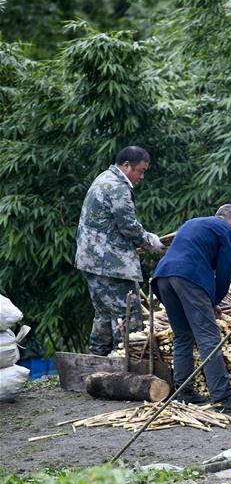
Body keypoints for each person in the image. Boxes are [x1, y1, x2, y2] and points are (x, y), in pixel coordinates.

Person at [152, 204, 231, 412]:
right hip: (189, 277)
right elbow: (223, 273)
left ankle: (183, 392)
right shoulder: (228, 231)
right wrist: (215, 302)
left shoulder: (193, 223)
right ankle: (223, 396)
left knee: (182, 335)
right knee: (208, 337)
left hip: (163, 277)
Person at [75, 146, 164, 355]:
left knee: (104, 314)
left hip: (92, 260)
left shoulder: (104, 178)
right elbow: (128, 225)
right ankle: (123, 365)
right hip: (111, 264)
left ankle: (96, 362)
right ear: (126, 165)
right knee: (127, 314)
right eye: (140, 171)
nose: (141, 177)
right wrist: (149, 241)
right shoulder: (117, 186)